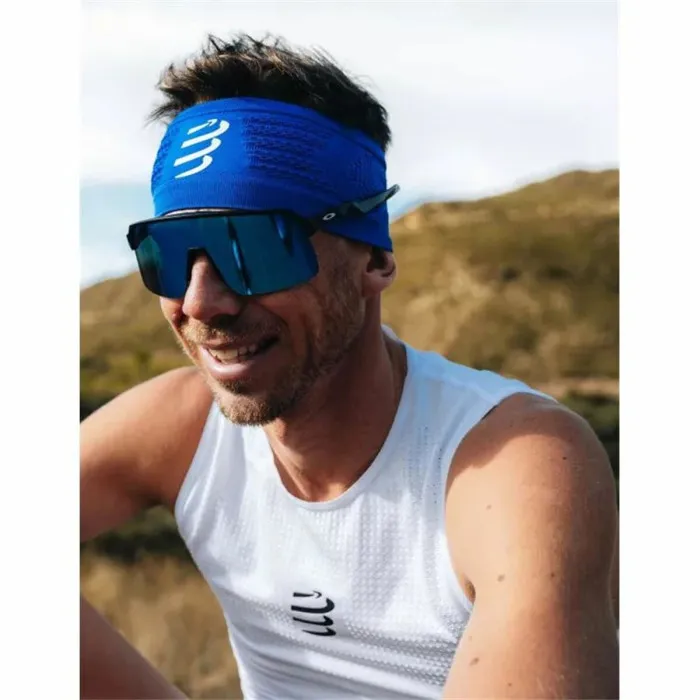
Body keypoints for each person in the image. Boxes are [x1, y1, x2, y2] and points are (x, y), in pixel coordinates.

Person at [81, 33, 619, 700]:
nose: (200, 302)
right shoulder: (181, 426)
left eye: (255, 247)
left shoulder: (511, 464)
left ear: (374, 259)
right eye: (168, 254)